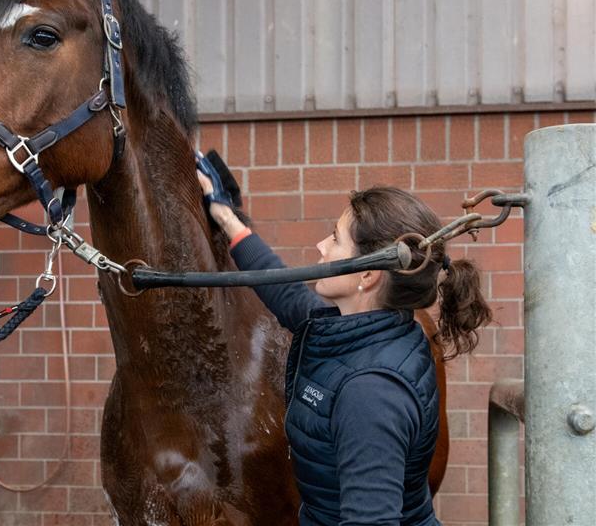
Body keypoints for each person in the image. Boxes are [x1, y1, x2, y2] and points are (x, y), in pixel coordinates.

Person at [196, 154, 491, 526]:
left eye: (335, 239)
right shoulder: (361, 327)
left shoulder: (370, 393)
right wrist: (224, 214)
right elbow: (283, 290)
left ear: (366, 275)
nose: (321, 246)